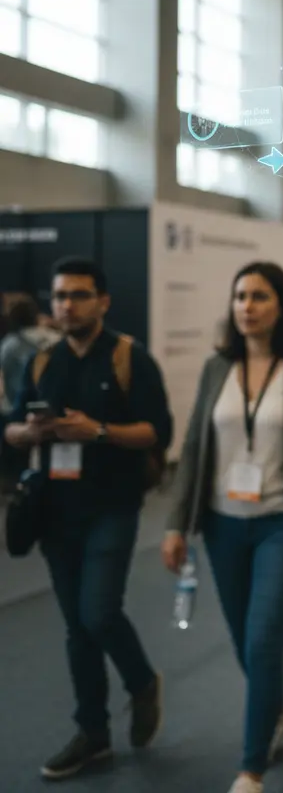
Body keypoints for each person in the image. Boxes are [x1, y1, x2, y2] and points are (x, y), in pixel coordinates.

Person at [162, 261, 283, 793]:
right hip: (221, 525)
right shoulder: (217, 367)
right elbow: (194, 446)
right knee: (245, 642)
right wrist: (175, 525)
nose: (247, 306)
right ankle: (274, 709)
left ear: (280, 305)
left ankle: (251, 767)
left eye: (259, 296)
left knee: (262, 643)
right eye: (240, 296)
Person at [4, 257, 173, 781]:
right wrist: (28, 435)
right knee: (77, 628)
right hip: (55, 510)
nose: (66, 305)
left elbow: (156, 433)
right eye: (59, 296)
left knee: (98, 612)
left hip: (113, 505)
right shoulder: (40, 362)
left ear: (102, 301)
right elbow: (9, 428)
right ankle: (92, 733)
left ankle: (142, 682)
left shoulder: (129, 358)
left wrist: (97, 431)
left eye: (78, 295)